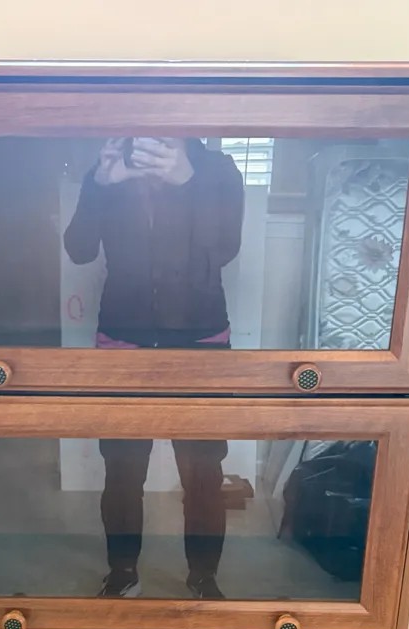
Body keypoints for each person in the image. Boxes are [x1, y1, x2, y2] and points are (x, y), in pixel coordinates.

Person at [64, 137, 244, 599]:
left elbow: (221, 250)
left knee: (203, 472)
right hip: (124, 339)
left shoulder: (217, 169)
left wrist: (188, 183)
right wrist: (100, 185)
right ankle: (123, 571)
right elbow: (79, 249)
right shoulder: (110, 170)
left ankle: (203, 576)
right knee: (122, 470)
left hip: (200, 342)